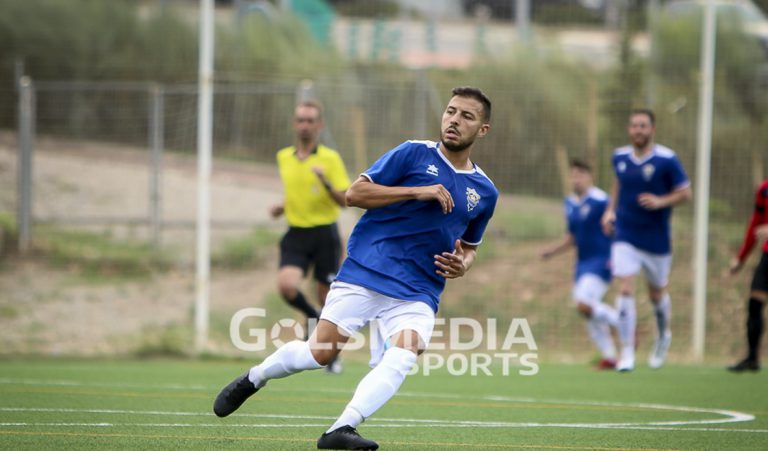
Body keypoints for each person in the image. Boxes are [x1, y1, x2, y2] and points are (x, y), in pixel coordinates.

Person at [214, 86, 498, 450]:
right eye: (451, 111)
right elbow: (354, 195)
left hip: (419, 290)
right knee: (320, 354)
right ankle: (255, 377)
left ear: (483, 130)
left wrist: (463, 265)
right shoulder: (412, 153)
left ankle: (340, 429)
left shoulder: (485, 191)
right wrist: (416, 191)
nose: (454, 120)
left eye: (467, 116)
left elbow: (470, 248)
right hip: (367, 271)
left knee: (405, 354)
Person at [601, 109, 692, 372]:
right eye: (634, 126)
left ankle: (663, 335)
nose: (638, 130)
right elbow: (619, 183)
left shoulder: (667, 159)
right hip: (625, 235)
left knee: (656, 294)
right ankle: (627, 352)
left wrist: (661, 201)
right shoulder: (619, 157)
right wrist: (610, 211)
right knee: (626, 287)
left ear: (652, 129)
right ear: (629, 130)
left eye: (643, 126)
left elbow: (686, 193)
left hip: (657, 240)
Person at [269, 100, 350, 373]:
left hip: (325, 234)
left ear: (319, 125)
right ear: (295, 124)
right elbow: (297, 190)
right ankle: (312, 316)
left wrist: (325, 182)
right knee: (287, 286)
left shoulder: (330, 159)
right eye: (301, 120)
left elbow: (344, 200)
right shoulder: (284, 157)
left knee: (328, 299)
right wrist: (282, 206)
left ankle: (331, 357)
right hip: (296, 234)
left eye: (310, 120)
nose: (305, 125)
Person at [541, 159, 618, 369]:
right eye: (572, 174)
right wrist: (552, 252)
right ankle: (610, 357)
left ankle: (623, 323)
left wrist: (618, 253)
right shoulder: (570, 203)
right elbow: (572, 237)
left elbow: (616, 226)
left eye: (580, 174)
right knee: (586, 311)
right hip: (582, 264)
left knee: (583, 302)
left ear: (589, 176)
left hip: (602, 260)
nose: (576, 178)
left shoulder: (602, 200)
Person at [727, 178, 768, 372]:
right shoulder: (764, 189)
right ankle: (752, 358)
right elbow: (755, 224)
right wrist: (740, 258)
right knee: (755, 303)